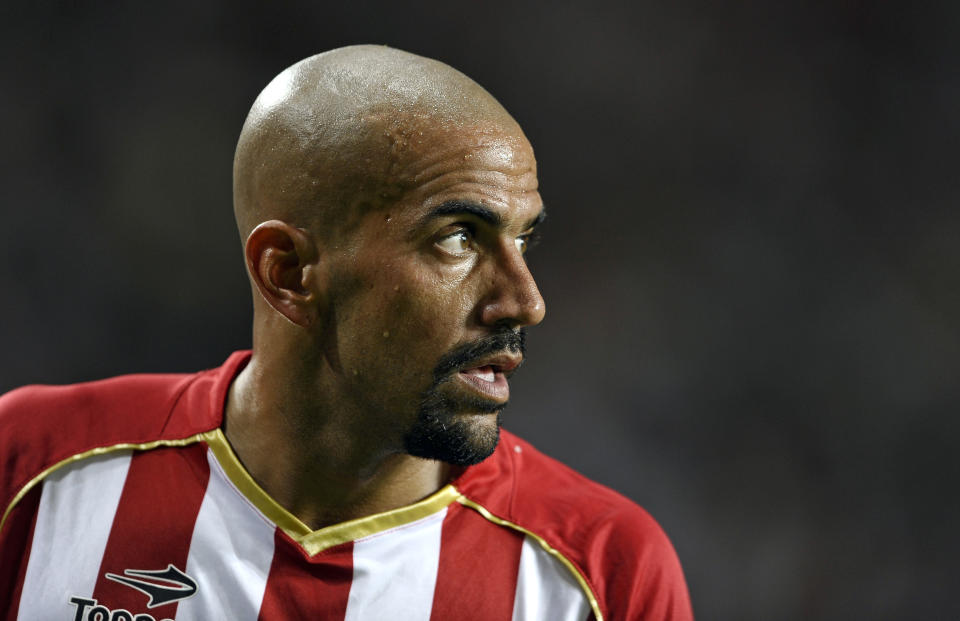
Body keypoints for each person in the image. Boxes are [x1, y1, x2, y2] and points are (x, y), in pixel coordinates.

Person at [0, 45, 693, 620]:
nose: (526, 301)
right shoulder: (29, 468)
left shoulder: (603, 574)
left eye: (523, 240)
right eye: (458, 238)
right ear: (290, 272)